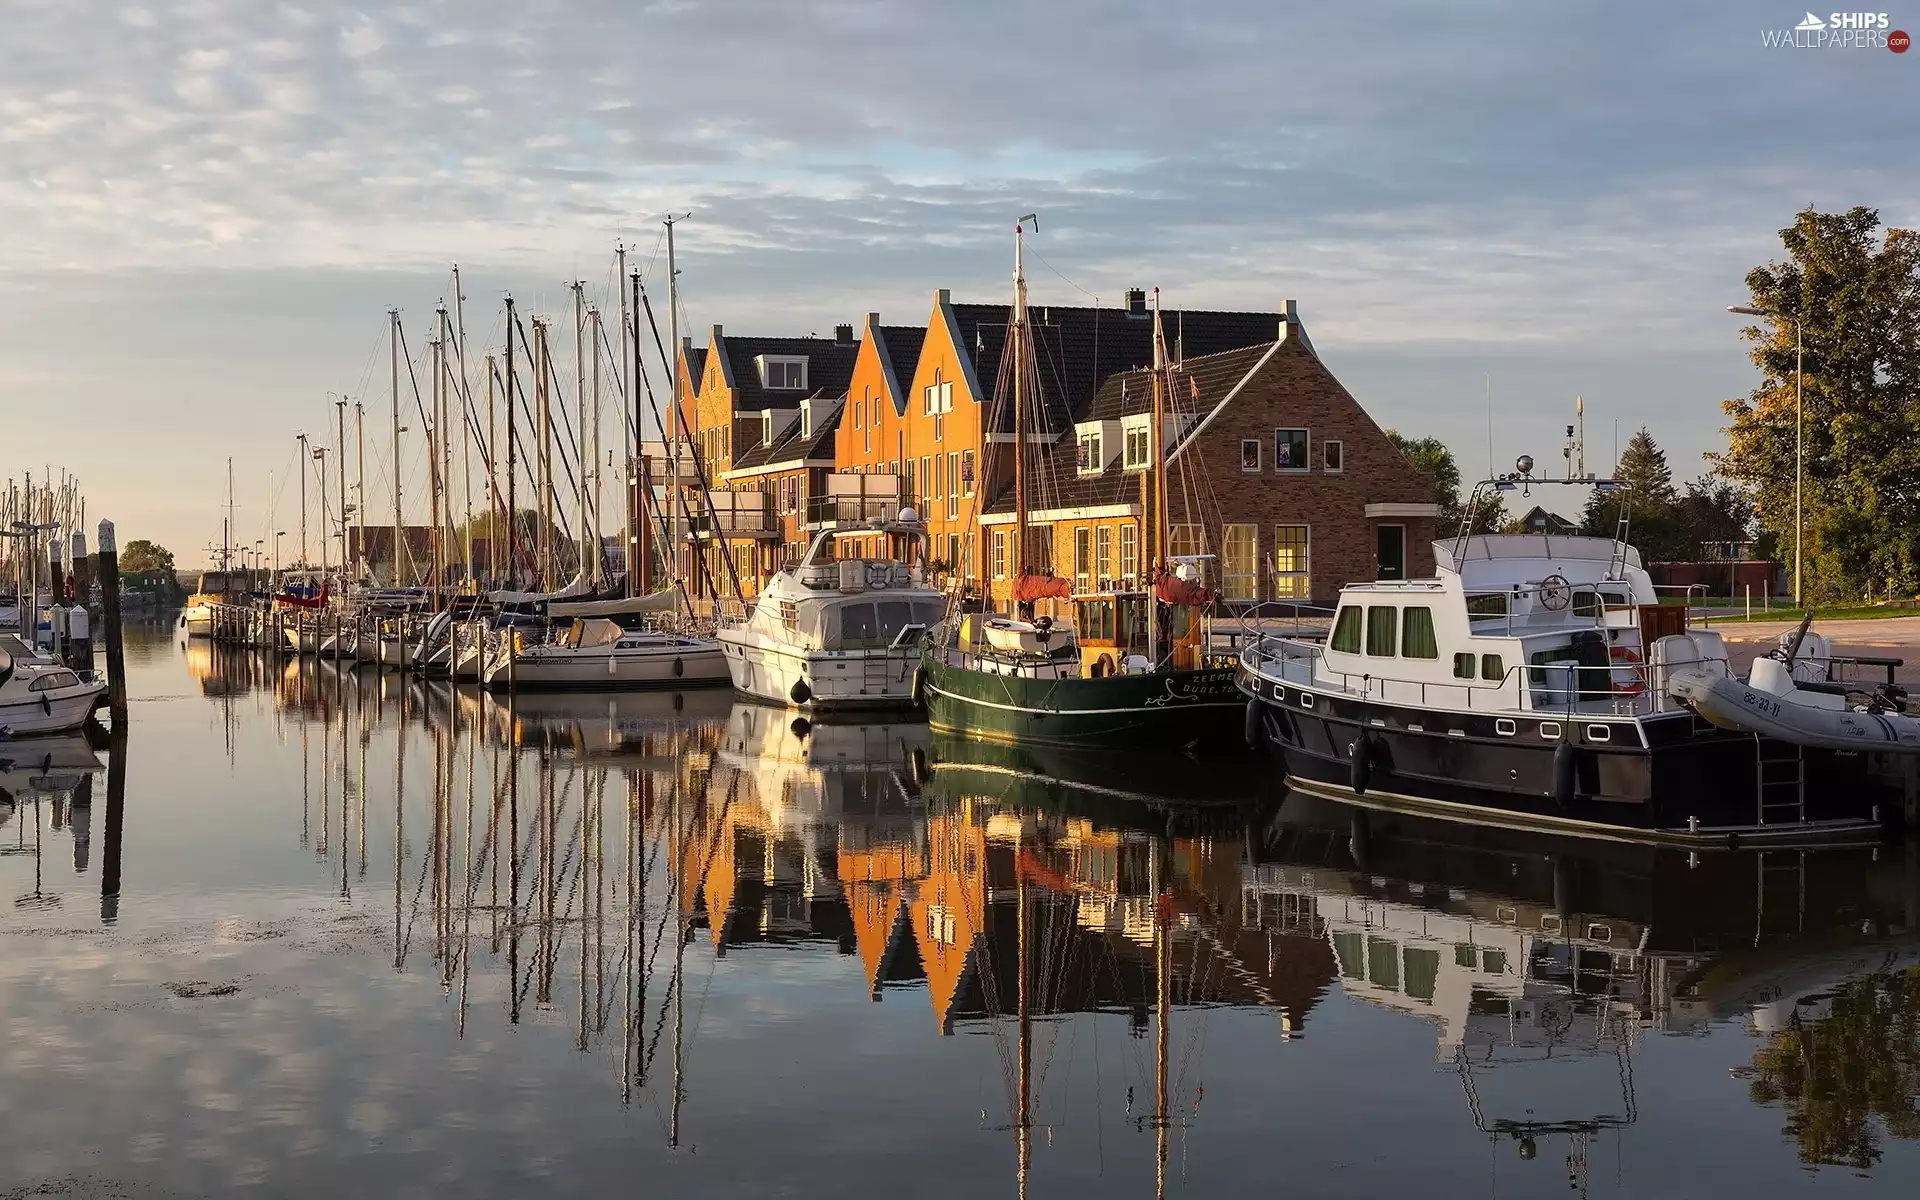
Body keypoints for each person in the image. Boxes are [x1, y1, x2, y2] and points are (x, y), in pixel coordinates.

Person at [66, 601, 91, 674]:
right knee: (82, 657)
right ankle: (84, 673)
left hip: (76, 638)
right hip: (81, 638)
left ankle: (80, 672)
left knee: (80, 656)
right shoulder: (83, 613)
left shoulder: (73, 613)